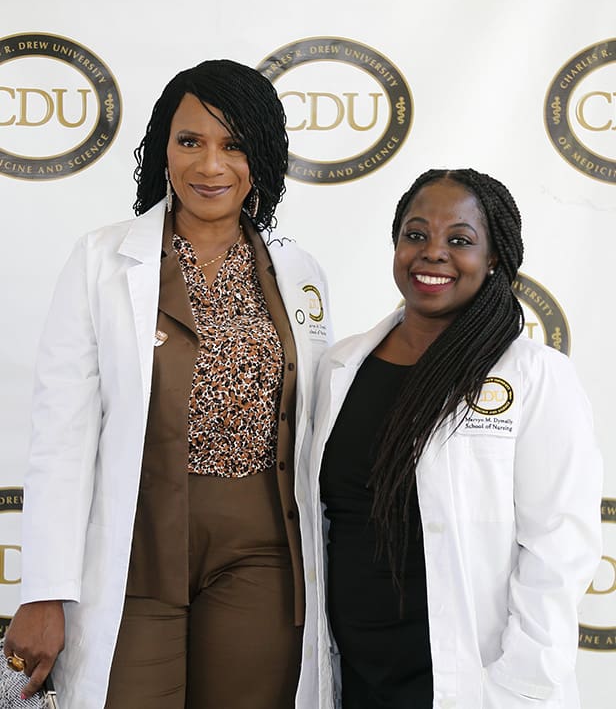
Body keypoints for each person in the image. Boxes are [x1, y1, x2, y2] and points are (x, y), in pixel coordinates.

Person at [3, 59, 332, 709]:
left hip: (260, 553)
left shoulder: (299, 272)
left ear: (261, 157)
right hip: (136, 548)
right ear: (162, 151)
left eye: (234, 144)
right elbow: (62, 435)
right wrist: (44, 590)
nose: (211, 165)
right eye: (191, 142)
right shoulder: (101, 260)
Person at [302, 169, 602, 709]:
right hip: (357, 674)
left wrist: (520, 676)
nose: (432, 253)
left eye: (459, 241)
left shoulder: (533, 375)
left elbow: (560, 543)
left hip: (471, 678)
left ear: (493, 258)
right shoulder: (341, 367)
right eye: (415, 235)